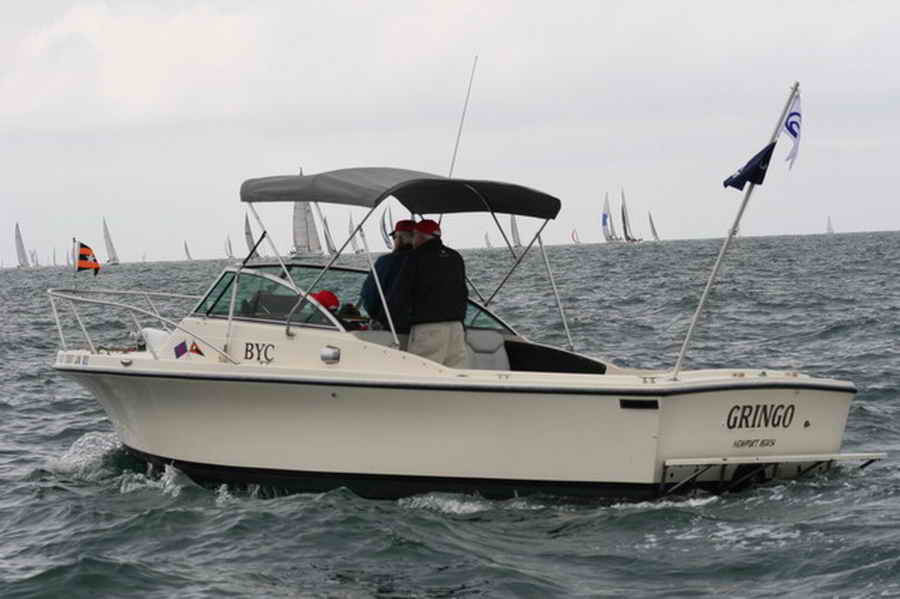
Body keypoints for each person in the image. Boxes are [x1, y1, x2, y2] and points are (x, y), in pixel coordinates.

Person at [388, 219, 468, 367]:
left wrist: (390, 320)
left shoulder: (415, 257)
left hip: (429, 329)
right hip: (456, 328)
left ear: (419, 236)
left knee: (423, 372)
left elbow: (401, 293)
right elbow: (463, 292)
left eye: (414, 236)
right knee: (456, 373)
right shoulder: (456, 257)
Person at [360, 219, 415, 332]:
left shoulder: (385, 262)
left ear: (399, 238)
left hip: (392, 327)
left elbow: (369, 295)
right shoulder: (428, 261)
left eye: (394, 237)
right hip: (421, 325)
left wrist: (377, 318)